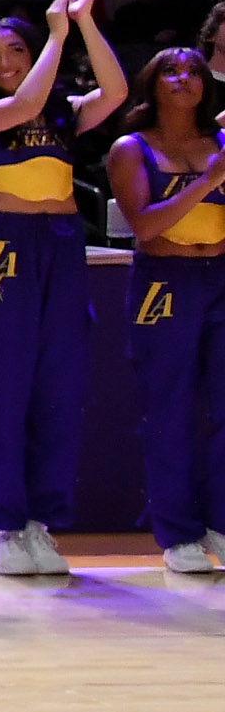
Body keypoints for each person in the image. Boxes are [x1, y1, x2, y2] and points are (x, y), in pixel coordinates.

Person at [0, 0, 125, 576]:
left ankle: (41, 523)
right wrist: (54, 34)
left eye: (15, 49)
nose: (4, 61)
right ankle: (3, 526)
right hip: (7, 246)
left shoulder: (66, 116)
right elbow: (23, 105)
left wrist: (83, 25)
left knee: (61, 385)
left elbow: (117, 88)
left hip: (63, 243)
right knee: (7, 385)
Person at [104, 49, 225, 573]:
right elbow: (146, 227)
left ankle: (221, 524)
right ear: (152, 85)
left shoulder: (219, 144)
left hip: (220, 276)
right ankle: (179, 534)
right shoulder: (132, 149)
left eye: (193, 71)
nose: (183, 79)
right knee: (170, 407)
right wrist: (207, 182)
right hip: (165, 282)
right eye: (172, 71)